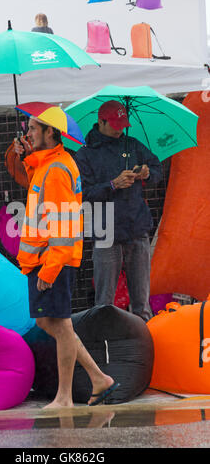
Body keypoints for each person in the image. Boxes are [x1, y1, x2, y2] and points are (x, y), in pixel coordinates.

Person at [13, 116, 120, 408]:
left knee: (59, 325)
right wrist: (26, 156)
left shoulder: (57, 170)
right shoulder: (49, 164)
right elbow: (36, 179)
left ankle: (65, 397)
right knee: (50, 322)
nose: (29, 132)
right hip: (46, 258)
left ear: (51, 132)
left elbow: (64, 226)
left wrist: (49, 270)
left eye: (34, 128)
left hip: (53, 260)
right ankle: (99, 378)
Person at [75, 100, 162, 323]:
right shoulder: (84, 154)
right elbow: (81, 194)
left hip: (136, 227)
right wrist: (112, 184)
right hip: (106, 231)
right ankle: (105, 346)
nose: (119, 129)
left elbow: (157, 168)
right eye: (114, 124)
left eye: (123, 124)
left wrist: (146, 173)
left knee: (142, 302)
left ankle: (146, 345)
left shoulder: (132, 144)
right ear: (100, 122)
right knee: (104, 302)